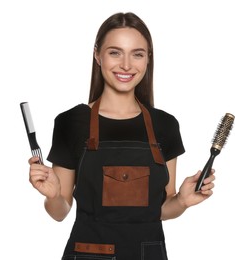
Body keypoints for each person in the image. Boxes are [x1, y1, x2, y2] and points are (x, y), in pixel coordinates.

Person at [28, 12, 215, 260]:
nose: (126, 65)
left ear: (148, 59)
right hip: (88, 254)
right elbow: (60, 211)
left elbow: (160, 210)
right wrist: (53, 195)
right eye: (115, 52)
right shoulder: (71, 122)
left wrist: (181, 200)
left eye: (137, 54)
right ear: (97, 55)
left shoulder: (165, 125)